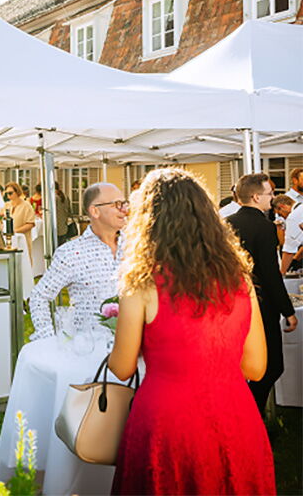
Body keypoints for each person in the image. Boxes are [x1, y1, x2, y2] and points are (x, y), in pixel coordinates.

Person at [109, 168, 275, 496]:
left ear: (148, 222)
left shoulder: (142, 283)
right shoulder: (240, 280)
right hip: (234, 418)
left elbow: (122, 367)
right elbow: (255, 368)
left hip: (166, 424)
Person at [227, 172, 298, 414]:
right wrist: (288, 311)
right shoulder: (265, 228)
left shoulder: (226, 224)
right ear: (256, 197)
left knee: (244, 365)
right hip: (260, 306)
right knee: (272, 366)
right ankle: (250, 414)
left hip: (232, 305)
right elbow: (270, 275)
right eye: (270, 194)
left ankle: (244, 411)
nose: (273, 198)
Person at [29, 182, 126, 339]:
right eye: (117, 204)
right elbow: (39, 297)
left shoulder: (136, 247)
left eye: (125, 203)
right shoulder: (71, 253)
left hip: (136, 350)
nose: (125, 209)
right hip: (89, 350)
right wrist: (47, 338)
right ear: (95, 211)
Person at [3, 182, 36, 264]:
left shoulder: (26, 205)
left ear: (17, 192)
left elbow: (30, 224)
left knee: (24, 263)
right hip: (9, 241)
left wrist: (15, 231)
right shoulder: (7, 205)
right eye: (6, 193)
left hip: (22, 240)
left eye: (10, 193)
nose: (8, 196)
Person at [280, 197, 303, 275]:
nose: (283, 217)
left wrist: (282, 274)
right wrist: (295, 260)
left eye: (280, 214)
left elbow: (289, 250)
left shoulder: (293, 217)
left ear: (282, 207)